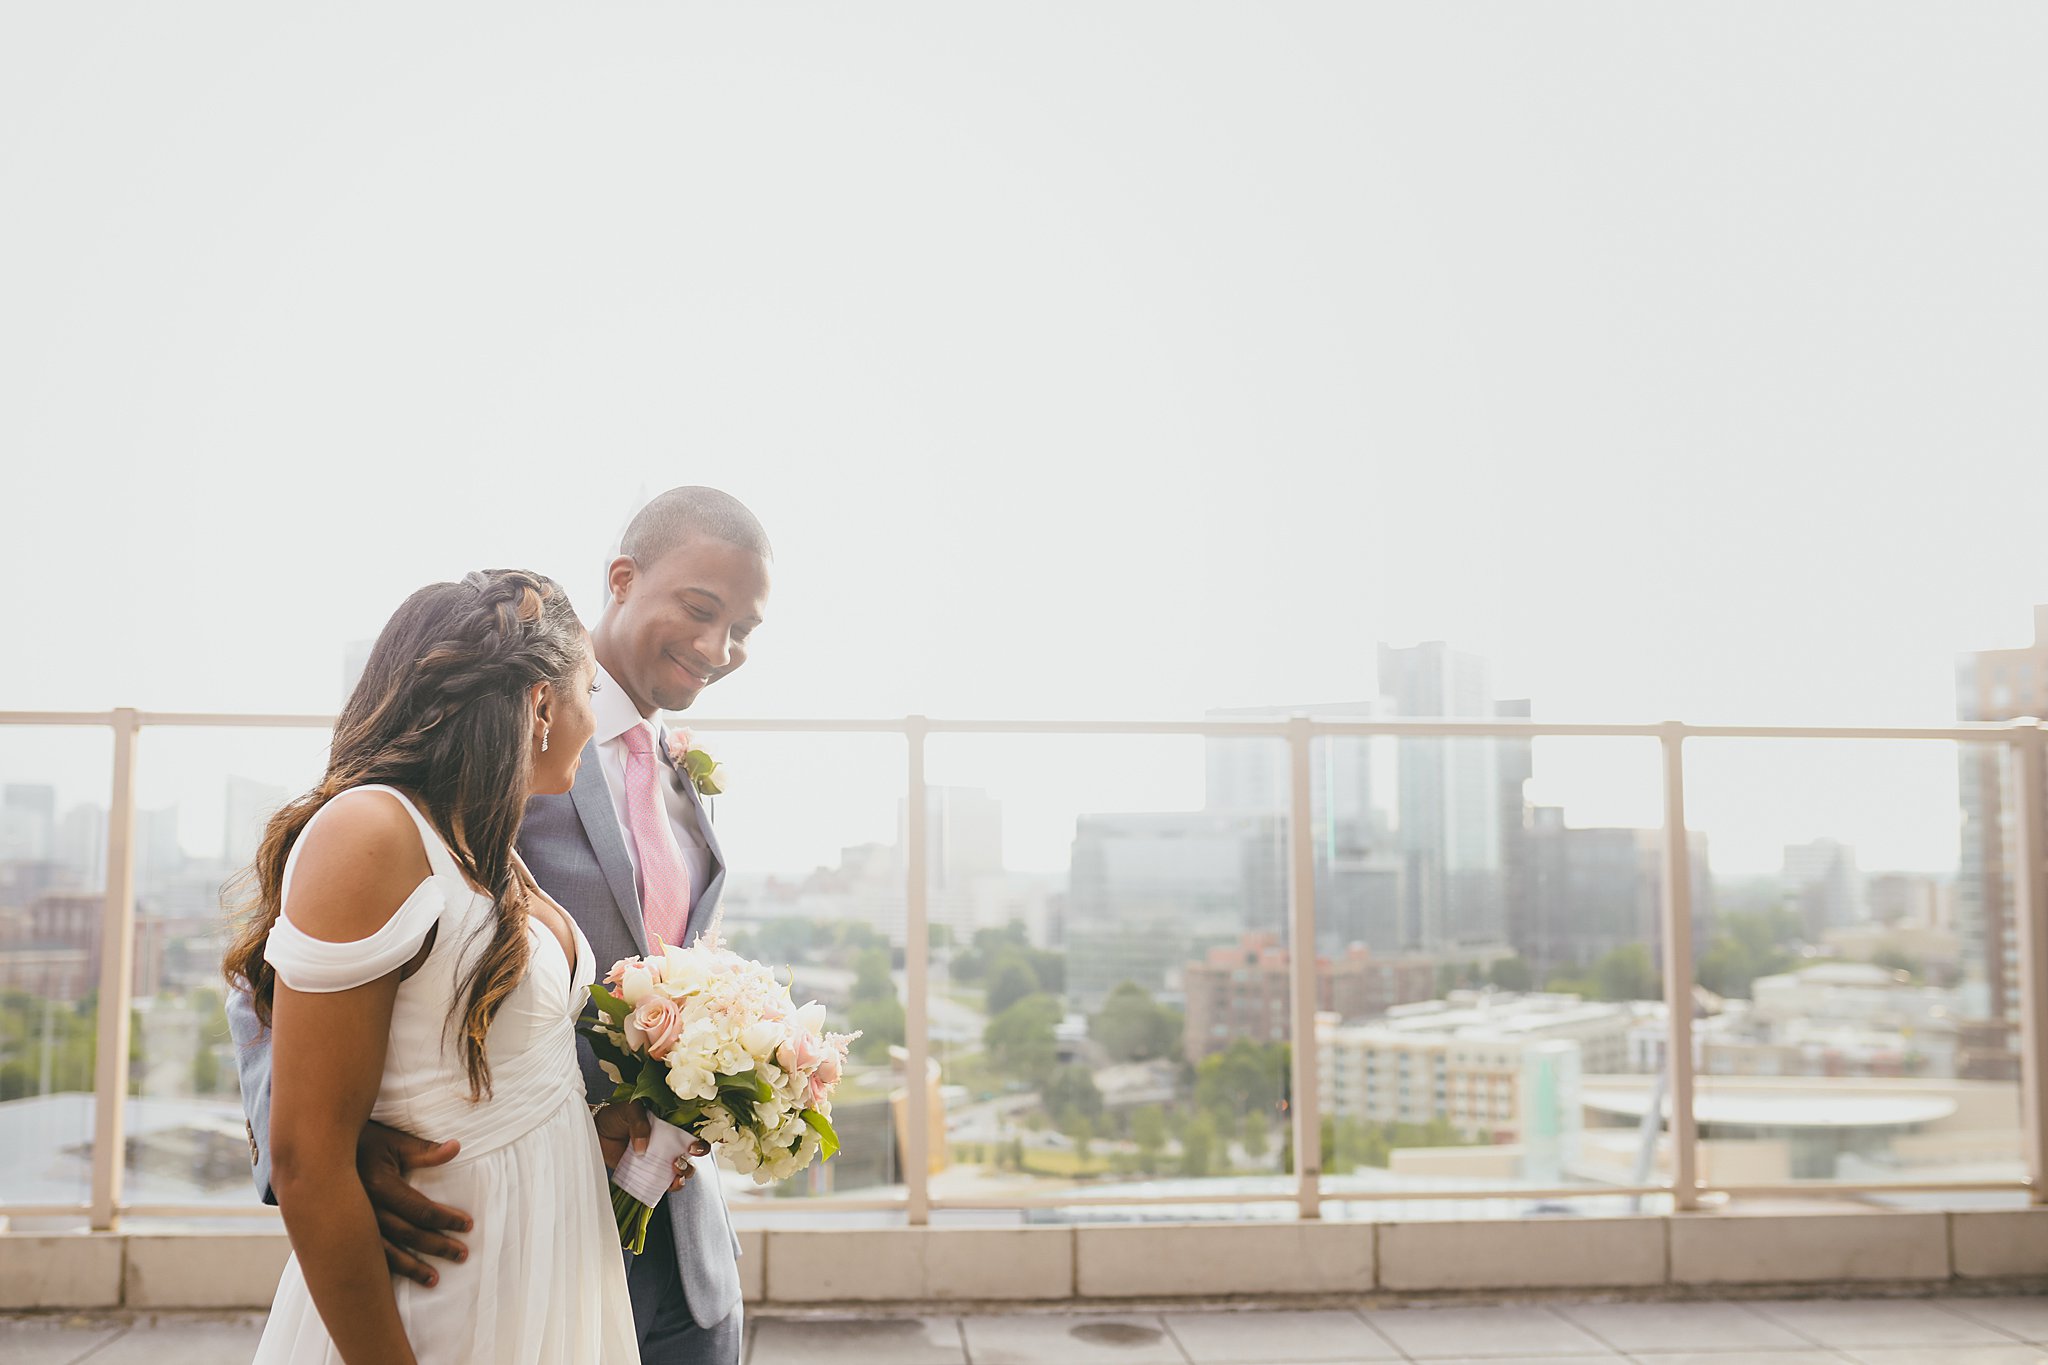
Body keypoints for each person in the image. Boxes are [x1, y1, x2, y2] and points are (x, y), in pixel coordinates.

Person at [232, 487, 772, 1365]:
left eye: (744, 628)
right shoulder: (432, 797)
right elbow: (275, 963)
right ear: (623, 581)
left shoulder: (669, 788)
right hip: (467, 1238)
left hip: (650, 1239)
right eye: (701, 610)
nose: (718, 648)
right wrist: (323, 1145)